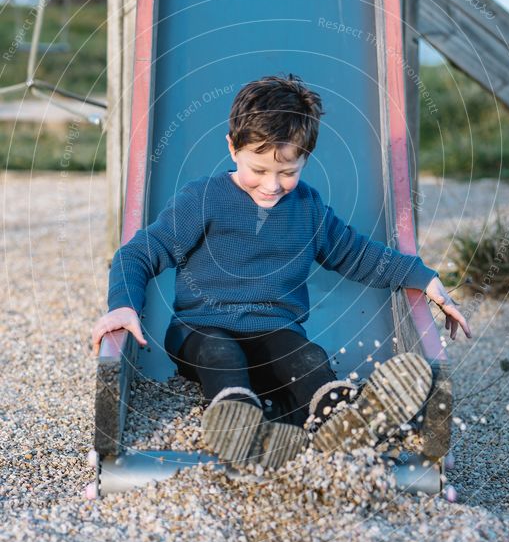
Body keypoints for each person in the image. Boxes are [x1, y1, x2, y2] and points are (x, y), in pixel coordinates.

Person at [92, 74, 471, 469]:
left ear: (305, 158)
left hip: (274, 332)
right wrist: (123, 305)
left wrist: (423, 277)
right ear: (232, 148)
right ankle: (239, 423)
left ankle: (339, 419)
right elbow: (138, 254)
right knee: (222, 356)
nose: (272, 185)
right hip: (200, 331)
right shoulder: (203, 199)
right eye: (259, 169)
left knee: (306, 357)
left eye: (287, 172)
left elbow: (358, 254)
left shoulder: (308, 209)